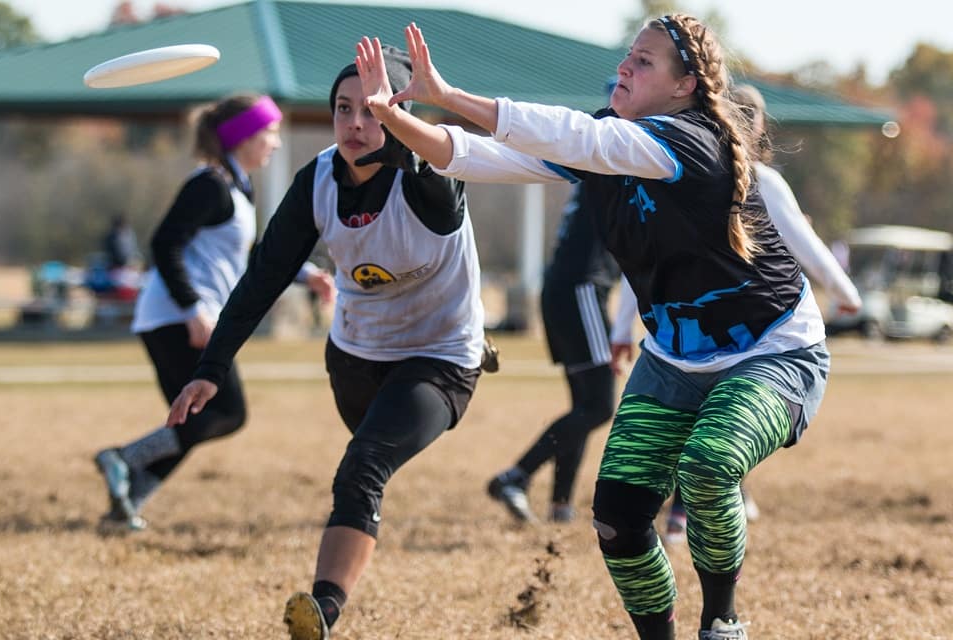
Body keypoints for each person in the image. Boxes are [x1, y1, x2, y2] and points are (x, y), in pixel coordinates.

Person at [355, 16, 832, 639]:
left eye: (644, 61)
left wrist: (448, 95)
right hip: (674, 360)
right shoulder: (610, 143)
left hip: (774, 352)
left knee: (709, 465)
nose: (625, 68)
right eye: (628, 56)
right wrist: (391, 117)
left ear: (685, 85)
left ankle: (722, 622)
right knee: (617, 518)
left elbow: (574, 134)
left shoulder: (692, 139)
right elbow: (471, 156)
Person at [164, 48, 487, 640]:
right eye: (343, 109)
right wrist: (211, 367)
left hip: (439, 357)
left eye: (373, 109)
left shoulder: (429, 175)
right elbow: (263, 278)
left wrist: (408, 133)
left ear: (400, 114)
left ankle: (323, 611)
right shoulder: (316, 180)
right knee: (364, 464)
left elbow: (437, 185)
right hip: (355, 357)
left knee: (364, 466)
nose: (356, 124)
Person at [608, 83, 864, 544]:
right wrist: (846, 292)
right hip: (731, 330)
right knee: (708, 429)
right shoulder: (741, 177)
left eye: (754, 115)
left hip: (725, 329)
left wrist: (621, 324)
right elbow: (805, 245)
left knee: (716, 428)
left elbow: (647, 261)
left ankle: (694, 510)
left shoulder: (694, 176)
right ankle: (691, 513)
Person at [94, 93, 335, 532]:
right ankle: (123, 459)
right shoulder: (209, 184)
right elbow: (164, 244)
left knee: (192, 419)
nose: (277, 142)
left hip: (185, 317)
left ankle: (125, 503)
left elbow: (254, 254)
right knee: (225, 412)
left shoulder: (236, 187)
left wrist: (306, 274)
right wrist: (192, 309)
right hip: (178, 318)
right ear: (243, 136)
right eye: (270, 132)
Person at [487, 180, 622, 524]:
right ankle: (516, 475)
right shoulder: (615, 166)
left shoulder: (595, 173)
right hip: (582, 290)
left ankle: (560, 505)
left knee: (584, 405)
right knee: (599, 405)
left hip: (563, 289)